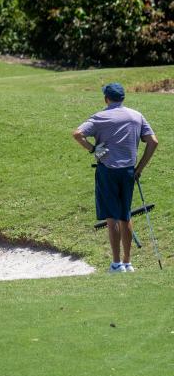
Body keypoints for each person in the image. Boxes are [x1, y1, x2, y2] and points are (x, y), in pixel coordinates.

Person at [73, 83, 158, 273]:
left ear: (106, 98)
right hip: (129, 172)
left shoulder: (100, 117)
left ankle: (116, 263)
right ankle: (128, 263)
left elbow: (77, 134)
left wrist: (93, 149)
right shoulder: (136, 116)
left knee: (112, 218)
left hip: (107, 171)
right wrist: (139, 168)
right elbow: (153, 142)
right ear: (123, 98)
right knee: (125, 215)